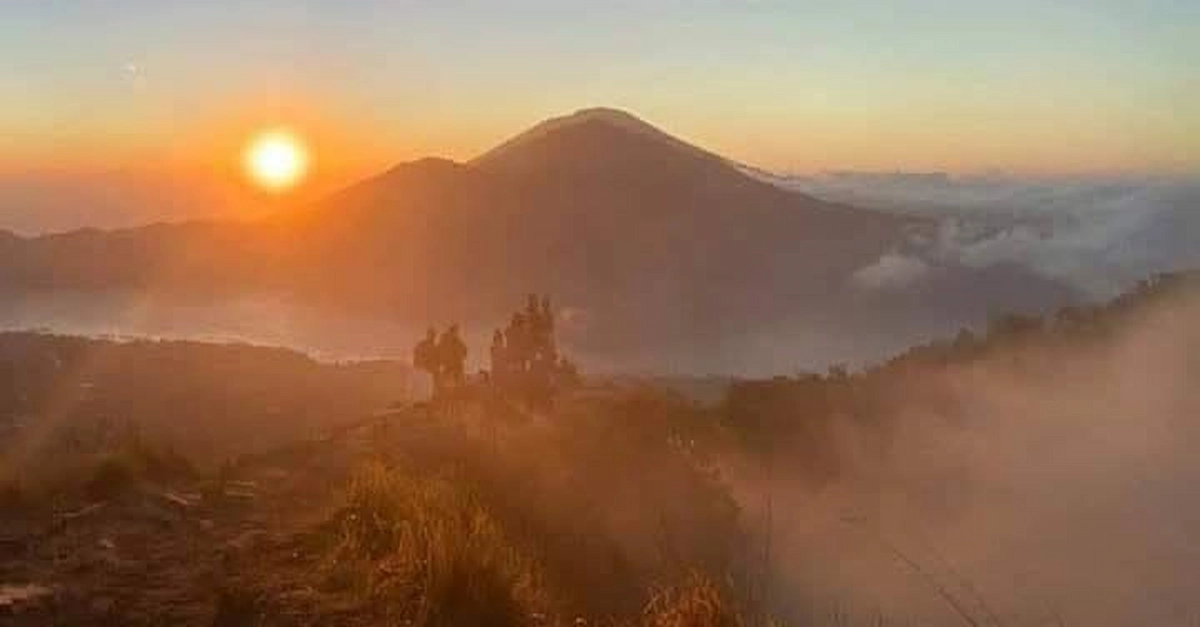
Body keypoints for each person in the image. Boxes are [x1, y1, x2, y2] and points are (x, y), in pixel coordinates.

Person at [438, 325, 468, 390]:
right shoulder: (447, 340)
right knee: (450, 382)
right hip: (450, 365)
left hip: (454, 365)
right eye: (456, 331)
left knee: (454, 382)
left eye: (457, 332)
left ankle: (454, 392)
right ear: (453, 331)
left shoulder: (457, 341)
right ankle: (450, 392)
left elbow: (464, 351)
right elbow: (464, 351)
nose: (457, 333)